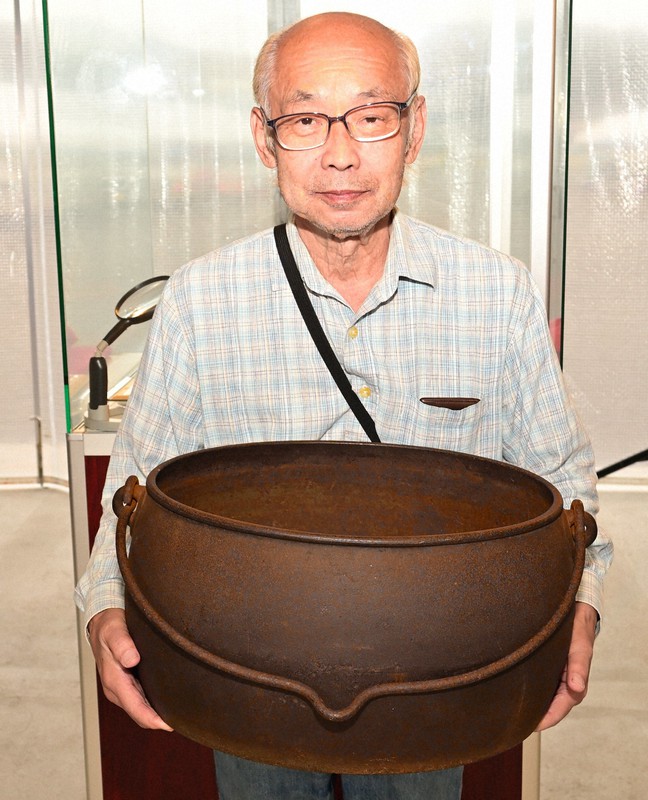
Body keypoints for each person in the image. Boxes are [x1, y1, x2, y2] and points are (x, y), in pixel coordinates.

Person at [75, 11, 613, 800]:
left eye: (371, 115)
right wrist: (103, 611)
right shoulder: (201, 299)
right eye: (304, 119)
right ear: (264, 139)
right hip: (246, 671)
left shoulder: (496, 294)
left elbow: (566, 489)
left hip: (432, 679)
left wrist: (583, 608)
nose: (340, 153)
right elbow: (133, 492)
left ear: (415, 126)